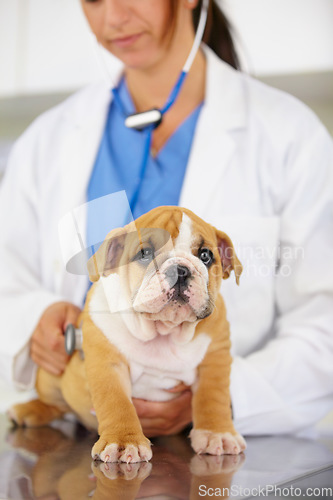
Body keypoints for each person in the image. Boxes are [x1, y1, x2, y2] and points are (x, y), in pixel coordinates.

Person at [0, 0, 332, 438]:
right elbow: (7, 276)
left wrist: (216, 400)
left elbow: (324, 318)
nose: (112, 18)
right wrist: (36, 323)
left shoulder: (289, 135)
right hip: (72, 437)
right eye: (94, 0)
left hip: (221, 454)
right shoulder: (49, 139)